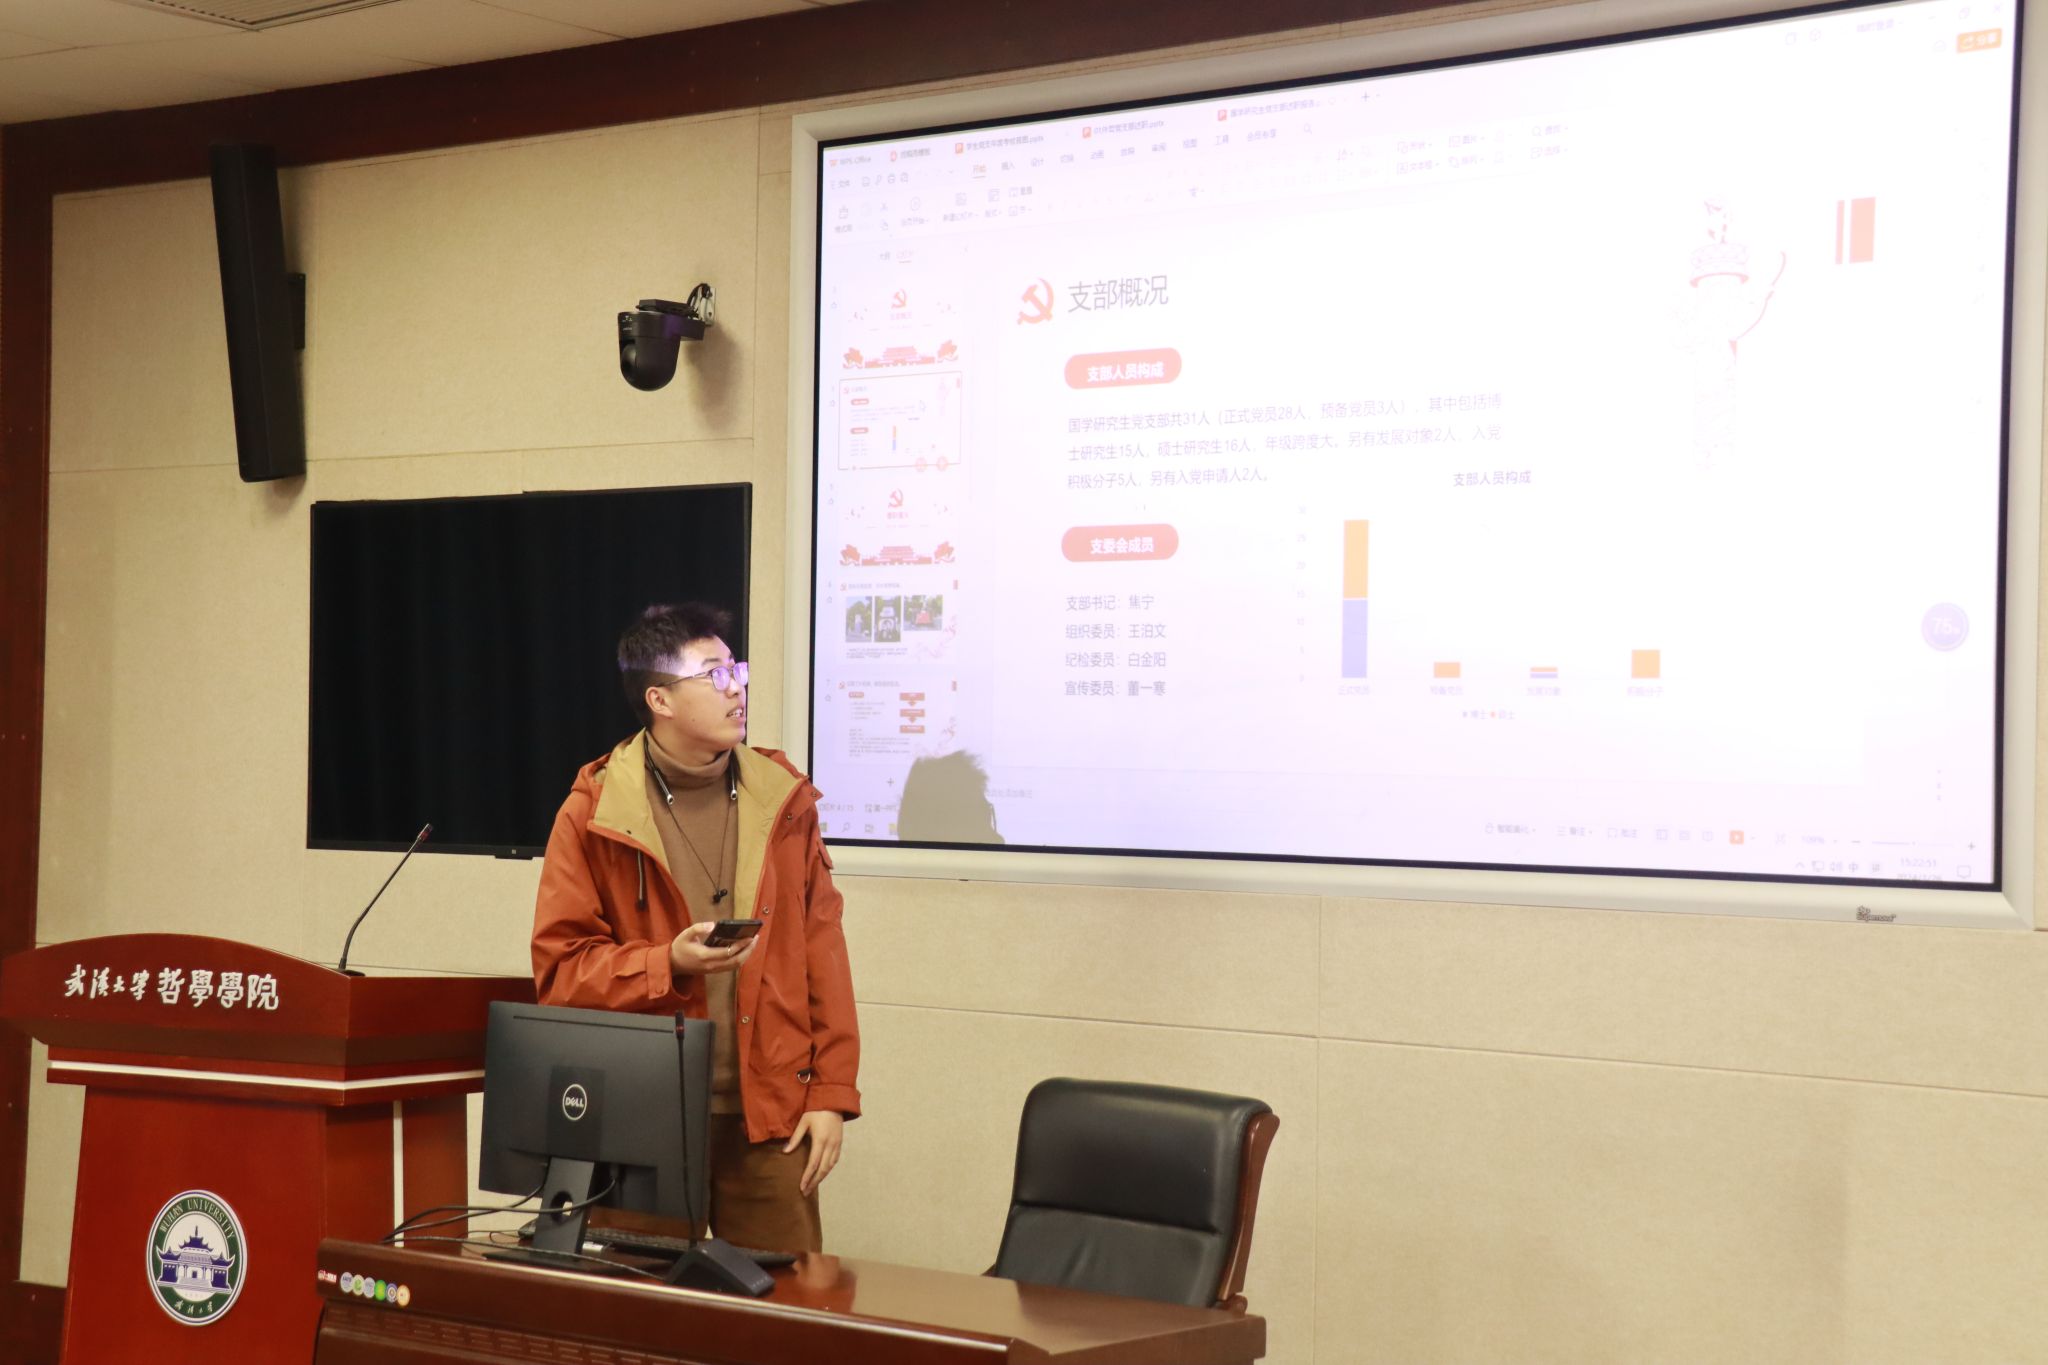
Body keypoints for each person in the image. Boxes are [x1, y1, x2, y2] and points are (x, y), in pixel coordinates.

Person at [531, 602, 859, 1253]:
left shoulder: (784, 799)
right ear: (660, 699)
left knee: (782, 1301)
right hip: (644, 1114)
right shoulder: (595, 810)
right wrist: (667, 963)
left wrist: (830, 1092)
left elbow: (823, 949)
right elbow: (562, 972)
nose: (737, 687)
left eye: (737, 669)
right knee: (640, 1302)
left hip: (770, 1116)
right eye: (714, 674)